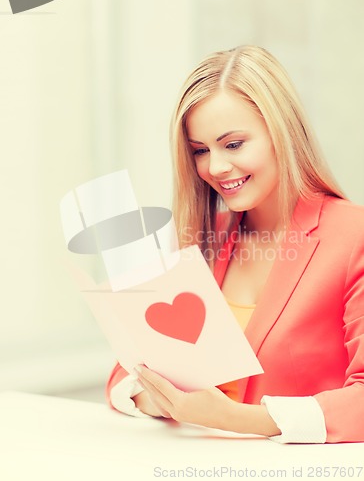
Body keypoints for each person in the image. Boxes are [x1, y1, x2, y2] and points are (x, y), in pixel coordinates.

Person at [106, 45, 364, 444]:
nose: (216, 167)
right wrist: (164, 399)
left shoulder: (353, 235)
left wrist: (238, 419)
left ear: (282, 133)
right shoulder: (204, 234)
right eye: (200, 151)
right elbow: (127, 374)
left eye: (234, 144)